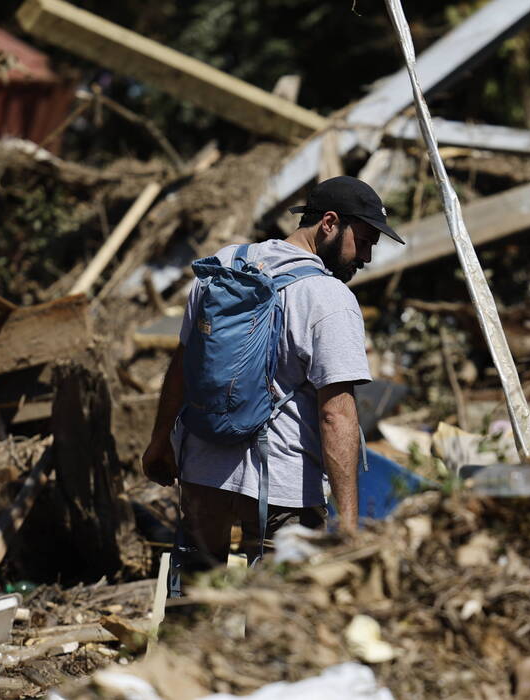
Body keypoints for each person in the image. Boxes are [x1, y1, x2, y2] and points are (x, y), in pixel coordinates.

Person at [140, 176, 404, 570]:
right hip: (283, 483)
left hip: (202, 470)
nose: (365, 257)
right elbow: (336, 413)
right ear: (329, 224)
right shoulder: (330, 298)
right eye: (363, 241)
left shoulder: (223, 265)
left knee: (193, 607)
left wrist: (160, 441)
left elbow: (183, 362)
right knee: (278, 620)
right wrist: (347, 524)